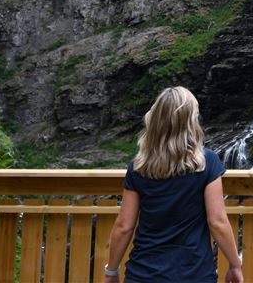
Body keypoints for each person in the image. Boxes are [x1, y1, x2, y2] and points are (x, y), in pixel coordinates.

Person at [103, 86, 243, 283]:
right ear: (191, 121)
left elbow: (124, 226)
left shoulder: (139, 167)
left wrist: (111, 271)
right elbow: (218, 222)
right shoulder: (207, 162)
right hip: (194, 274)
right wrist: (235, 264)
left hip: (144, 274)